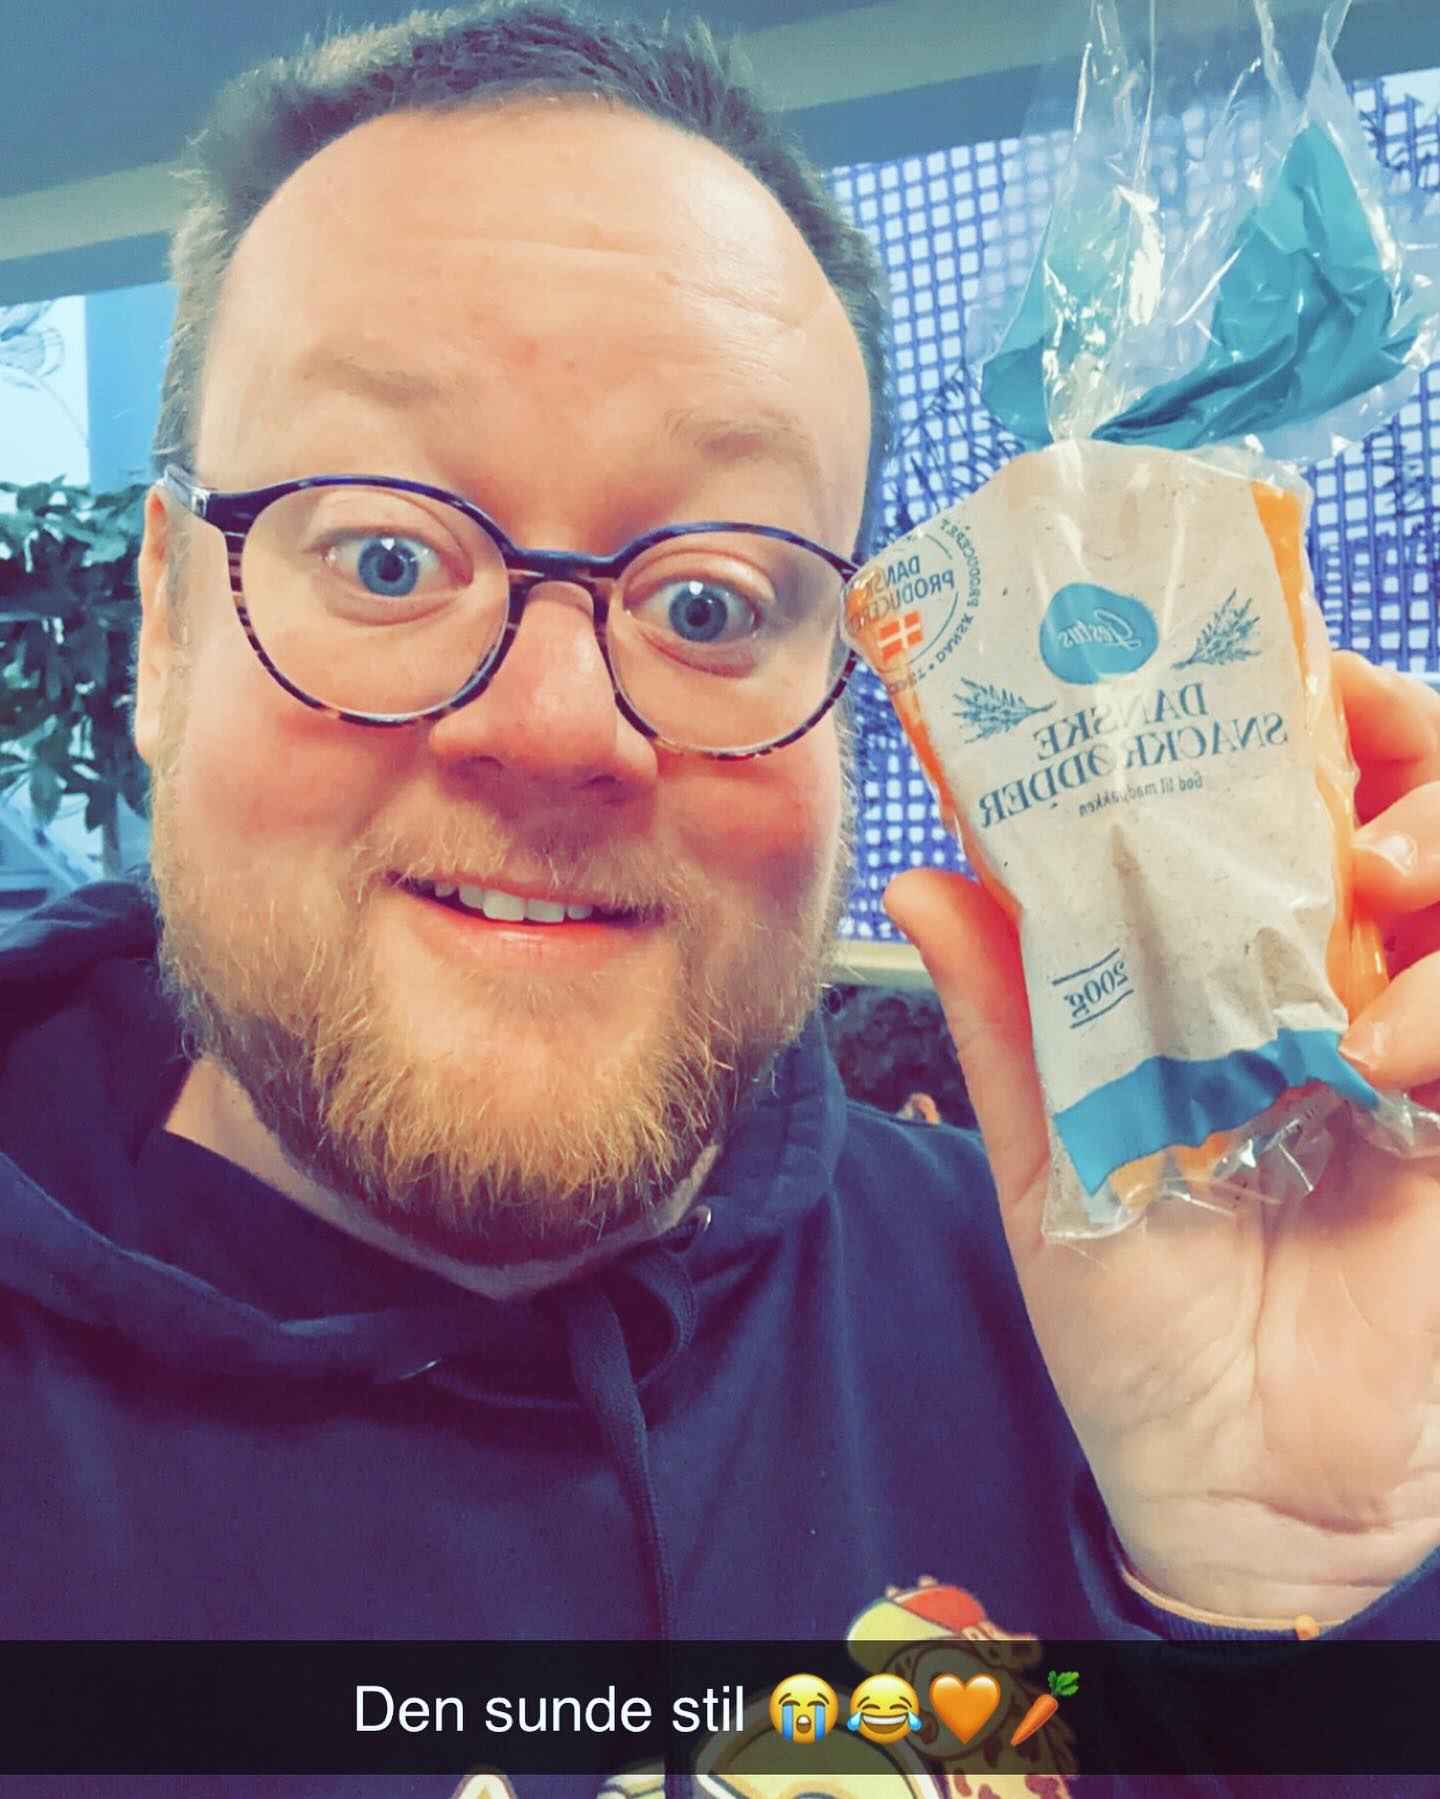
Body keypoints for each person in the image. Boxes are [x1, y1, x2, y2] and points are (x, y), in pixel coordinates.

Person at [2, 2, 1438, 1794]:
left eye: (711, 604)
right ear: (164, 628)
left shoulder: (1116, 1307)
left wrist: (1307, 1585)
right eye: (385, 555)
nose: (558, 727)